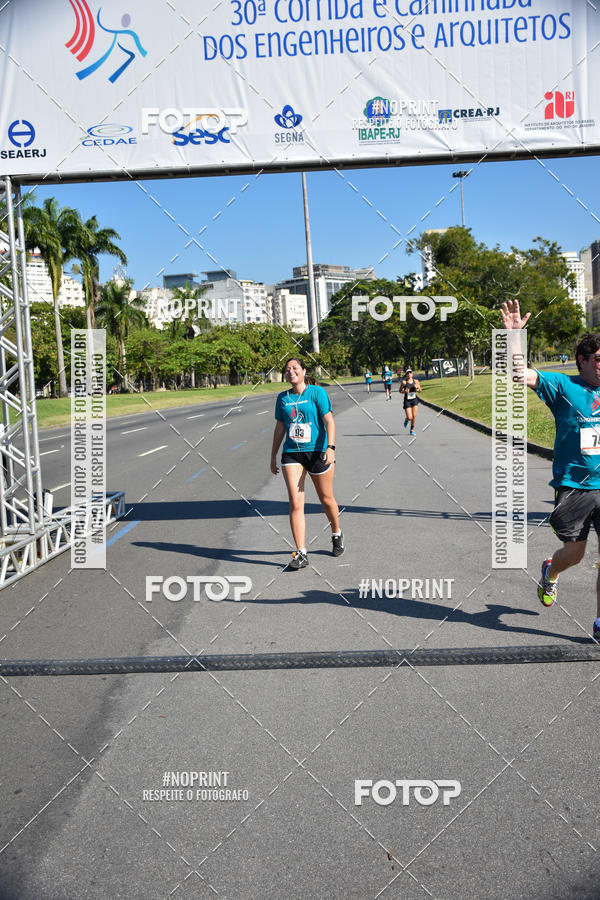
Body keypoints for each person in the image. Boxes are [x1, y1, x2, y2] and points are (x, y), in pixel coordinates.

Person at [501, 299, 600, 641]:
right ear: (583, 360)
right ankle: (550, 570)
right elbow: (518, 374)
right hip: (574, 486)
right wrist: (515, 337)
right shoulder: (563, 387)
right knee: (574, 554)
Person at [271, 358, 344, 570]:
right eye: (287, 369)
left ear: (303, 371)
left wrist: (330, 447)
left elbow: (329, 421)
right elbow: (280, 428)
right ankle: (301, 552)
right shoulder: (282, 398)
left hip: (318, 452)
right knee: (295, 502)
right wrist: (273, 455)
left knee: (326, 499)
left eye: (294, 368)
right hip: (292, 453)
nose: (290, 372)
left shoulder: (316, 393)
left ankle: (336, 533)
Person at [399, 368, 421, 436]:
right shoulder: (404, 382)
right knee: (410, 417)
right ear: (406, 374)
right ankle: (406, 420)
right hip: (407, 401)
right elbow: (400, 390)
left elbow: (420, 390)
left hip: (414, 400)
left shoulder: (416, 381)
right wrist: (404, 392)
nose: (409, 374)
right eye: (408, 373)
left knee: (414, 416)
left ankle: (412, 429)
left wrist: (417, 388)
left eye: (410, 372)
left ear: (412, 374)